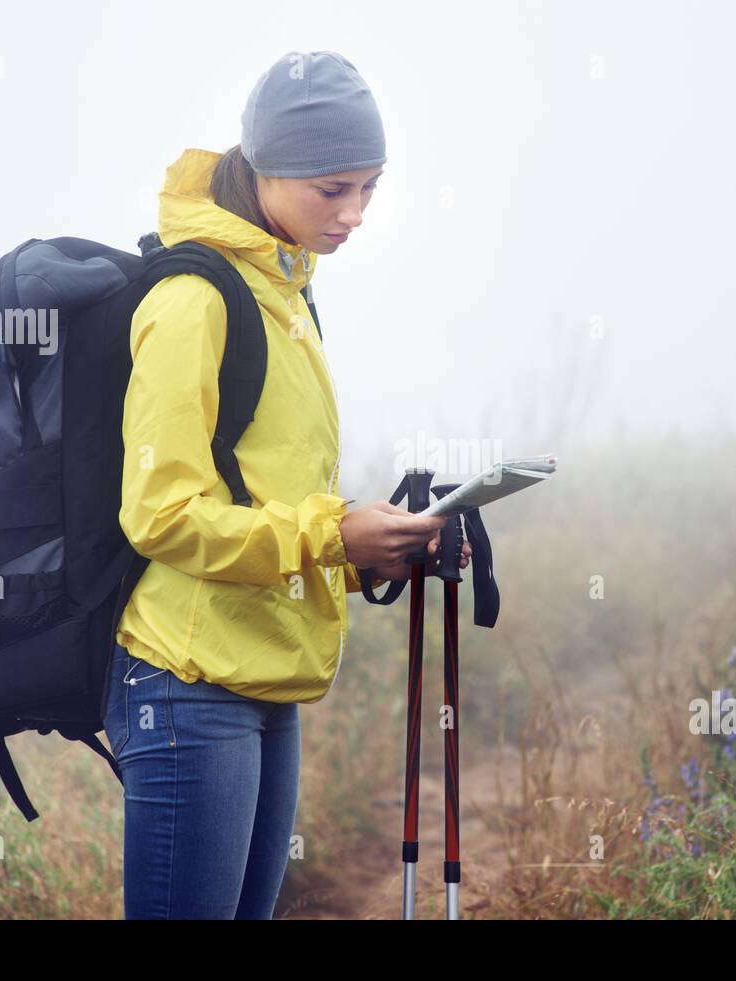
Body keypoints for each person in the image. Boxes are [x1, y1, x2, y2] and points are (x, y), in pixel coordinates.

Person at [102, 50, 471, 919]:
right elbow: (160, 513)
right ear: (265, 166)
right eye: (332, 188)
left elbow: (268, 497)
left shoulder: (289, 293)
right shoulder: (195, 299)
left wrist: (371, 550)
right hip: (186, 685)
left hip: (266, 681)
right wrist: (331, 536)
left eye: (371, 188)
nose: (355, 214)